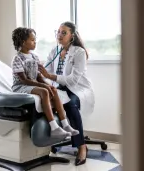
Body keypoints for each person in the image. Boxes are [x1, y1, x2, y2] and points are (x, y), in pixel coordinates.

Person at [38, 21, 95, 166]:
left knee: (70, 105)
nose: (59, 35)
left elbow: (73, 79)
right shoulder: (54, 50)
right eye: (58, 32)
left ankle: (81, 146)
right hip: (59, 87)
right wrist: (44, 77)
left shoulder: (79, 52)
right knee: (44, 102)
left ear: (72, 36)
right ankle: (51, 140)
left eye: (64, 32)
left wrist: (50, 77)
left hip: (77, 88)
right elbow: (46, 71)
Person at [11, 27, 80, 140]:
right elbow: (24, 80)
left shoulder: (34, 57)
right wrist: (43, 86)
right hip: (20, 86)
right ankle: (54, 128)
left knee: (53, 89)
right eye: (32, 40)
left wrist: (47, 84)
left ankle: (66, 125)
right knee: (44, 91)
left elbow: (38, 76)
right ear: (23, 42)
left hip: (32, 84)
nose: (35, 42)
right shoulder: (18, 58)